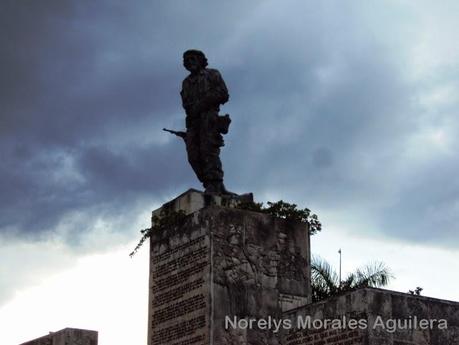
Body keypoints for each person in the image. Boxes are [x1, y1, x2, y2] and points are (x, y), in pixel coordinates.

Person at [180, 49, 233, 194]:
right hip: (193, 121)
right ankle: (209, 183)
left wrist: (203, 103)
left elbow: (223, 94)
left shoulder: (212, 74)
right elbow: (185, 103)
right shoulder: (186, 83)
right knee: (193, 155)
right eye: (187, 60)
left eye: (193, 59)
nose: (190, 62)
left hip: (209, 118)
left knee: (209, 151)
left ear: (201, 60)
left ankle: (214, 184)